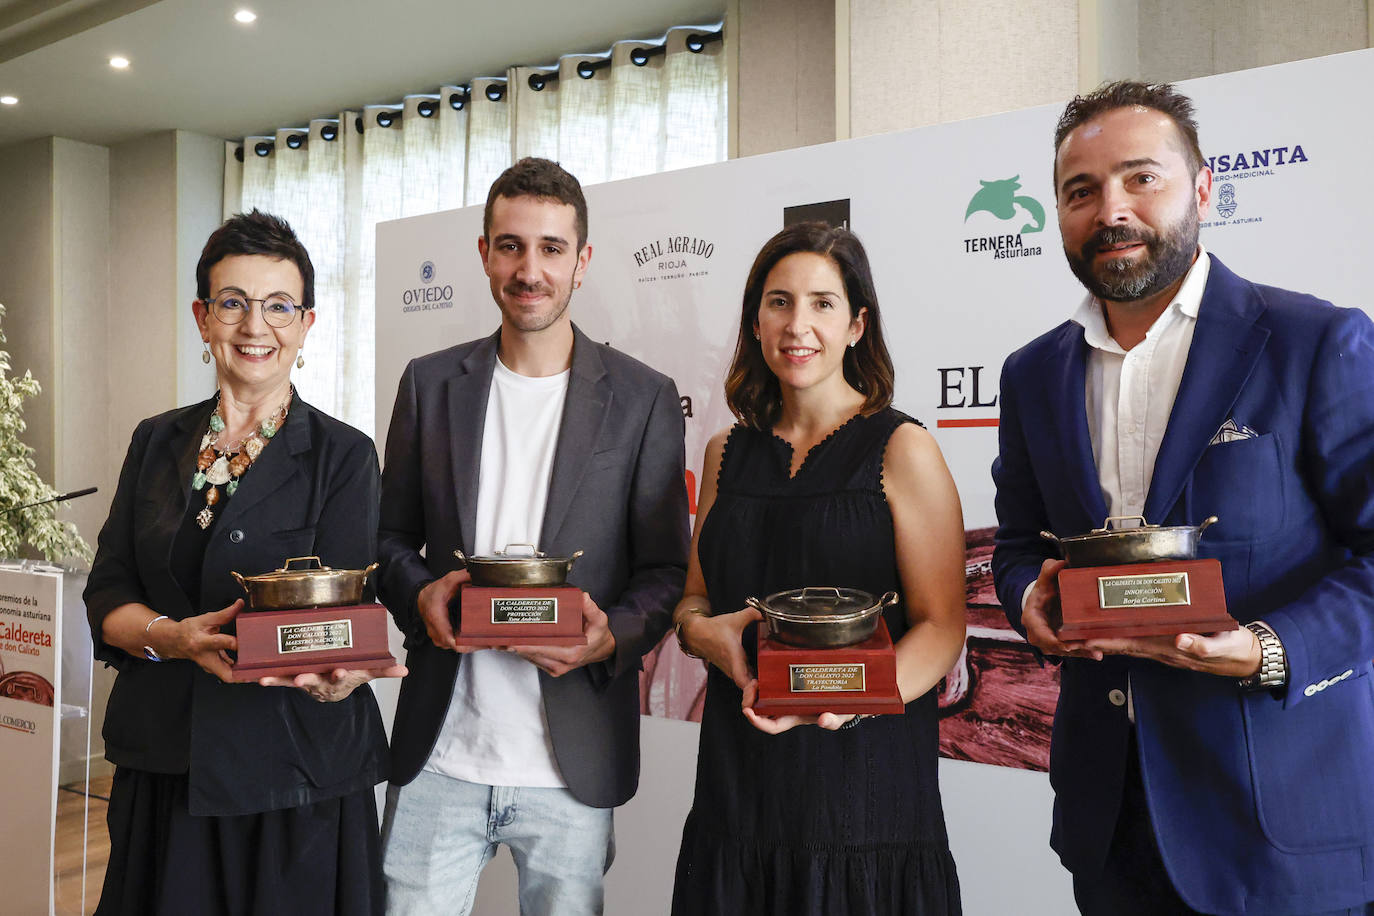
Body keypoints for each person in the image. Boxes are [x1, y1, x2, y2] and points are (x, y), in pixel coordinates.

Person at [992, 80, 1374, 914]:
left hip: (1280, 833)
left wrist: (1268, 649)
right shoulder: (1032, 375)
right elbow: (1019, 541)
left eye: (1141, 179)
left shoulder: (1316, 341)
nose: (1111, 210)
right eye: (1081, 191)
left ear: (1203, 188)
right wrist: (1030, 599)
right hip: (1109, 826)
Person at [375, 157, 689, 915]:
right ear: (484, 253)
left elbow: (663, 572)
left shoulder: (643, 398)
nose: (530, 269)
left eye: (551, 248)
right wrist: (422, 598)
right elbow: (387, 540)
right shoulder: (428, 383)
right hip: (440, 754)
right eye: (511, 246)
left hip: (571, 761)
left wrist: (608, 636)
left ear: (582, 261)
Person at [84, 210, 404, 915]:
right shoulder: (154, 441)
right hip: (165, 759)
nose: (255, 326)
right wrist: (169, 638)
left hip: (295, 773)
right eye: (232, 303)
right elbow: (108, 590)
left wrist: (340, 675)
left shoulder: (344, 455)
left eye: (278, 306)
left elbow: (342, 617)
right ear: (203, 318)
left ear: (307, 324)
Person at [671, 222, 966, 915]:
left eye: (822, 303)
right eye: (778, 302)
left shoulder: (902, 448)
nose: (797, 324)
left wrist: (845, 697)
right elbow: (693, 600)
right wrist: (701, 636)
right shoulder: (723, 454)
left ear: (858, 324)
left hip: (862, 796)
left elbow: (942, 626)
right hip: (736, 789)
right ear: (755, 319)